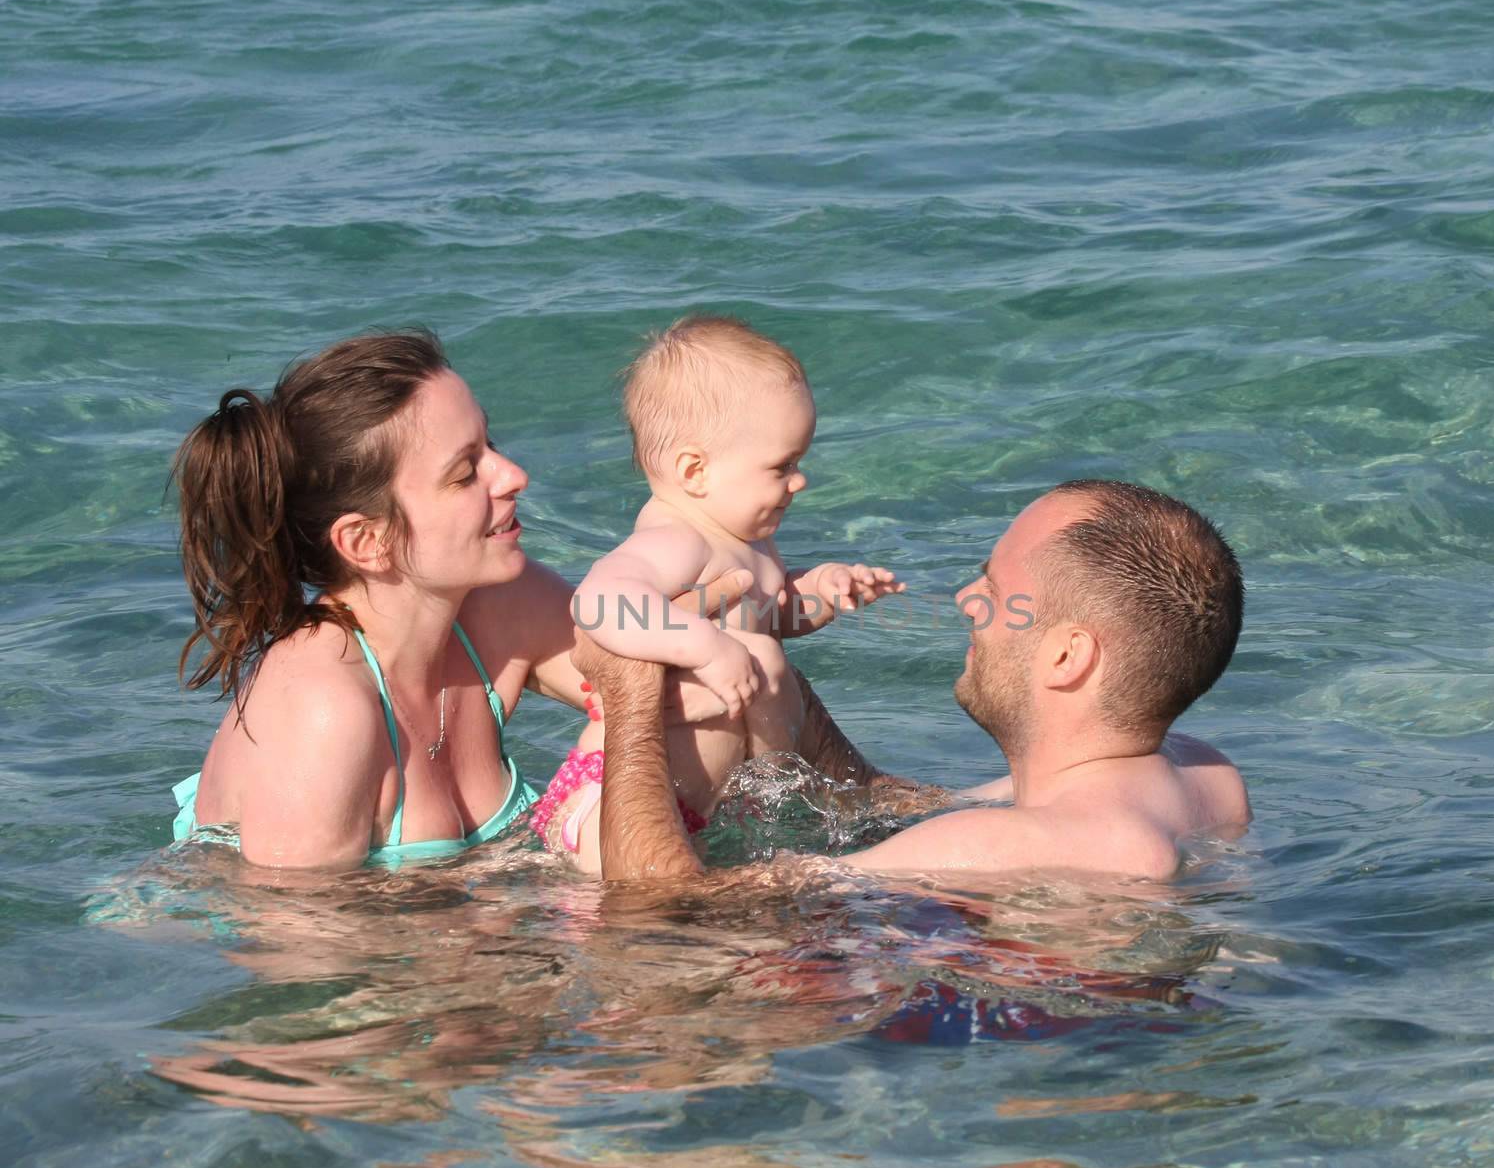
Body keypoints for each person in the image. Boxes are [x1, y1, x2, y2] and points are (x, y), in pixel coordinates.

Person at [168, 329, 751, 870]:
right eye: (465, 473)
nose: (513, 474)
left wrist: (713, 585)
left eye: (489, 444)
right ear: (368, 541)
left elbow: (694, 699)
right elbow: (300, 958)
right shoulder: (323, 710)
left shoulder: (496, 607)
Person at [578, 479, 1251, 882]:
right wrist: (773, 678)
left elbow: (660, 906)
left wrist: (629, 689)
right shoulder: (1209, 783)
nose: (965, 598)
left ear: (1067, 657)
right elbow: (896, 800)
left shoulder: (988, 848)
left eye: (995, 589)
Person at [533, 315, 902, 870]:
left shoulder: (747, 542)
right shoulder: (677, 538)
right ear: (695, 470)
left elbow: (767, 617)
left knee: (764, 653)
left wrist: (821, 592)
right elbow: (599, 603)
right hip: (612, 801)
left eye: (800, 463)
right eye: (782, 466)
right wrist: (704, 648)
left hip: (698, 807)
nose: (798, 482)